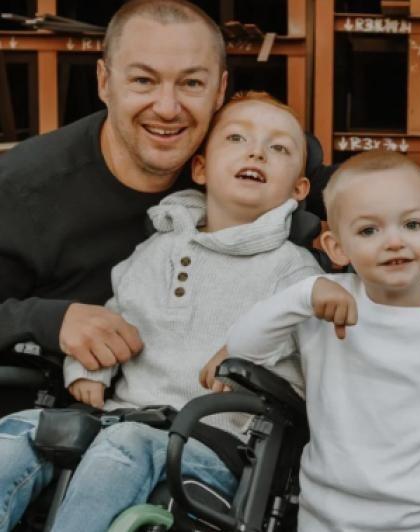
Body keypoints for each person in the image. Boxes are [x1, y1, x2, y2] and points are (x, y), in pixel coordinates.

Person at [0, 91, 323, 532]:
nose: (256, 152)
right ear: (201, 168)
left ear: (299, 188)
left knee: (125, 444)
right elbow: (114, 319)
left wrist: (252, 357)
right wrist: (88, 371)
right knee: (21, 433)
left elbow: (310, 369)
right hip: (119, 417)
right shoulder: (157, 248)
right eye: (236, 138)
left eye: (279, 148)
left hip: (211, 444)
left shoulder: (293, 270)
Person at [201, 150, 420, 531]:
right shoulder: (325, 305)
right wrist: (303, 295)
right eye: (369, 230)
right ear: (337, 247)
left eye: (411, 224)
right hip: (330, 517)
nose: (393, 241)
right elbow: (243, 347)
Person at [0, 0, 228, 417]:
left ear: (220, 91)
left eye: (192, 84)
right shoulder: (21, 188)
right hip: (46, 432)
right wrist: (48, 320)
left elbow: (351, 191)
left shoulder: (245, 164)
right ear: (105, 82)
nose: (167, 107)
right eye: (143, 80)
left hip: (197, 433)